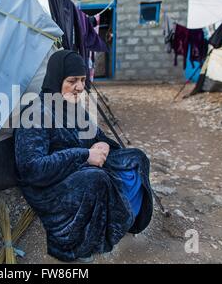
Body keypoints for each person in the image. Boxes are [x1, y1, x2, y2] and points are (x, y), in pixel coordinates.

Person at [14, 50, 153, 262]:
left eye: (82, 80)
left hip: (82, 167)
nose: (79, 87)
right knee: (97, 179)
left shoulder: (73, 108)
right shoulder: (35, 114)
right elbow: (32, 169)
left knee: (136, 158)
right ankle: (80, 243)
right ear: (55, 79)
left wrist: (103, 145)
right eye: (72, 81)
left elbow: (98, 136)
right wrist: (84, 155)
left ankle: (120, 220)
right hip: (51, 184)